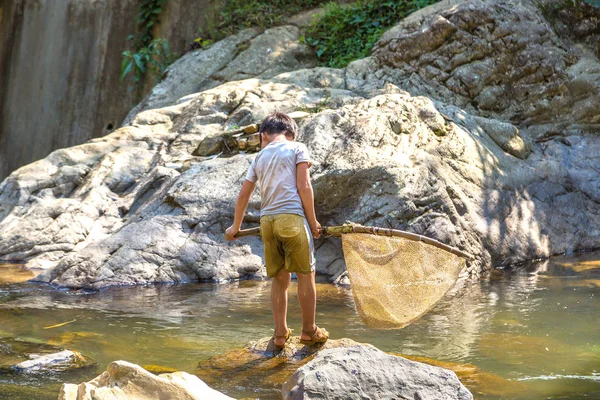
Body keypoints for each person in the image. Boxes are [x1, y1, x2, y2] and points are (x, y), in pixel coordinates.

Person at [225, 112, 329, 349]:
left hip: (267, 223)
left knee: (280, 278)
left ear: (263, 136)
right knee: (306, 274)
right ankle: (308, 331)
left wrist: (236, 227)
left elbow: (244, 195)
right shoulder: (297, 148)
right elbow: (304, 186)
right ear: (291, 134)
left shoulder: (259, 157)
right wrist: (313, 223)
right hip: (292, 219)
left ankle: (280, 333)